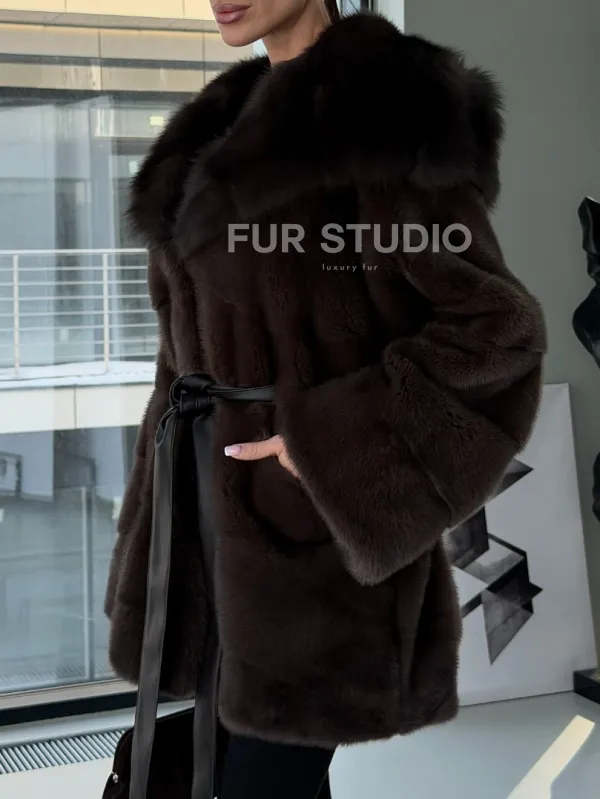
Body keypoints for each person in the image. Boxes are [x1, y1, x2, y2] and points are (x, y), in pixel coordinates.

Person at [104, 2, 547, 798]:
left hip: (313, 549)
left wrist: (328, 448)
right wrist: (156, 506)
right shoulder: (214, 128)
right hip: (206, 530)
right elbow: (182, 359)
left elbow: (496, 329)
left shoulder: (383, 114)